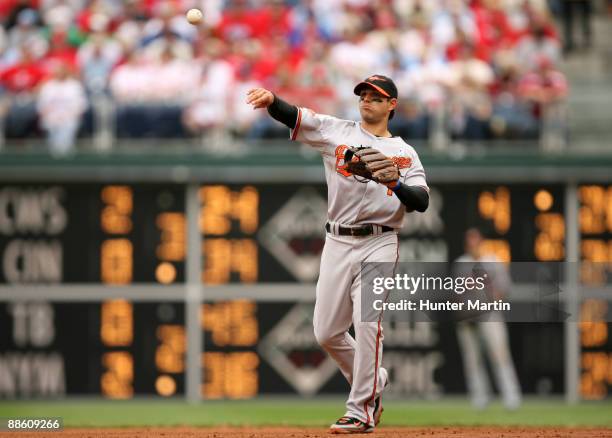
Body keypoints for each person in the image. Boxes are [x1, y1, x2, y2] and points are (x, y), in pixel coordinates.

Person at [246, 74, 429, 433]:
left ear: (392, 104)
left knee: (367, 325)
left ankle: (360, 410)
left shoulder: (405, 153)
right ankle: (374, 381)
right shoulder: (337, 132)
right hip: (337, 240)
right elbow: (296, 117)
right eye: (363, 94)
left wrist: (395, 183)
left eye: (376, 97)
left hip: (380, 240)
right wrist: (272, 100)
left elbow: (420, 202)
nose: (366, 100)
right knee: (326, 332)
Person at [454, 228, 522, 410]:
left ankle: (511, 397)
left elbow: (504, 289)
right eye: (469, 241)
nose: (472, 245)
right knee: (472, 361)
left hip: (490, 315)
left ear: (481, 242)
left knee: (500, 356)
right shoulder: (461, 263)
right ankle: (479, 399)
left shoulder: (493, 261)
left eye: (475, 240)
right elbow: (455, 294)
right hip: (467, 319)